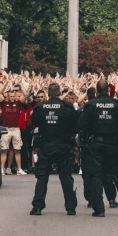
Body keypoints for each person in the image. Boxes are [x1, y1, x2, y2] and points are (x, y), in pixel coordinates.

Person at [77, 80, 118, 217]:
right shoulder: (117, 104)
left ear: (96, 91)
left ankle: (99, 209)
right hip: (113, 144)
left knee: (96, 175)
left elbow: (81, 124)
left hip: (96, 144)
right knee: (117, 175)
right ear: (109, 90)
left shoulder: (90, 105)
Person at [29, 83, 79, 215]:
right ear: (60, 93)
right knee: (66, 177)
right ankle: (70, 207)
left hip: (46, 145)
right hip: (63, 145)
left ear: (48, 94)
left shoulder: (40, 107)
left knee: (42, 177)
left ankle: (37, 206)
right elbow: (74, 123)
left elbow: (35, 122)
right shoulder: (67, 107)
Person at [0, 90, 28, 175]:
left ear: (15, 96)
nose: (12, 98)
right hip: (6, 129)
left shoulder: (18, 103)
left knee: (17, 149)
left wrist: (21, 83)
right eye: (10, 96)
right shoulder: (3, 103)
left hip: (16, 129)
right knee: (4, 150)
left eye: (13, 96)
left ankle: (19, 169)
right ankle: (1, 169)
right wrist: (5, 83)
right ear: (7, 96)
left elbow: (25, 95)